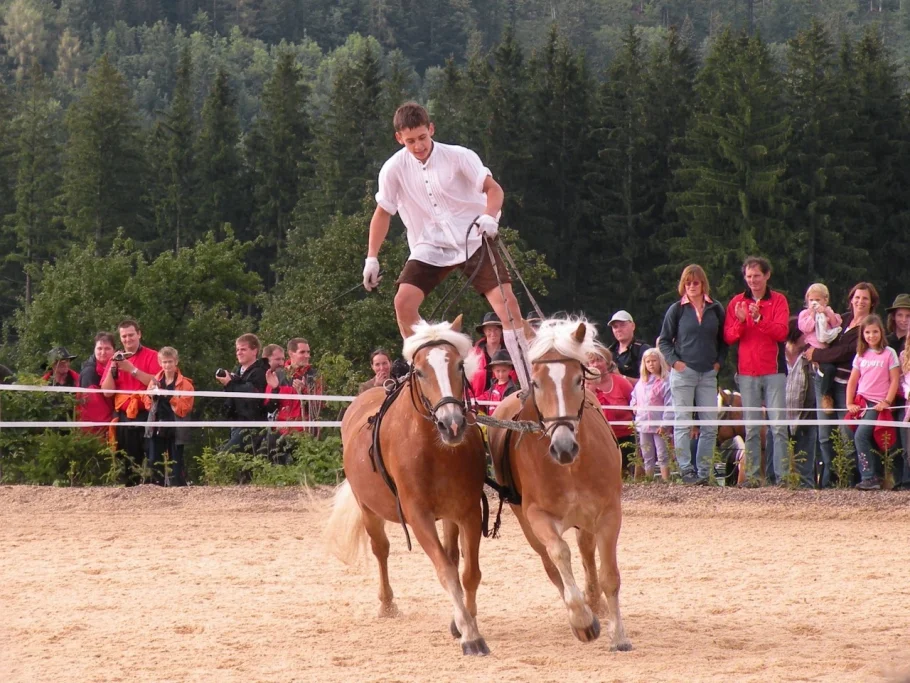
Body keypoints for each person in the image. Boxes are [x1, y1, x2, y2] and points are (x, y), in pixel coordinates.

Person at [362, 101, 532, 391]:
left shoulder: (459, 156)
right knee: (403, 303)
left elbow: (494, 189)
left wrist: (489, 216)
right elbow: (383, 212)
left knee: (507, 305)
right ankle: (422, 376)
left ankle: (530, 382)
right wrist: (372, 257)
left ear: (431, 129)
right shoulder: (392, 169)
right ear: (399, 138)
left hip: (473, 238)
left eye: (422, 137)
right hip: (429, 245)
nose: (418, 146)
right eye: (410, 141)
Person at [723, 256, 789, 487]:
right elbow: (729, 336)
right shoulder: (737, 302)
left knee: (778, 426)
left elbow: (782, 332)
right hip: (747, 372)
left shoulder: (778, 300)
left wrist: (759, 319)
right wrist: (741, 322)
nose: (753, 281)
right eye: (749, 276)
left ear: (767, 275)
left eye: (757, 276)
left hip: (774, 371)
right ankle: (751, 477)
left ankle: (782, 477)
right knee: (751, 427)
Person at [659, 264, 727, 484]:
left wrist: (718, 363)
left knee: (710, 425)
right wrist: (675, 363)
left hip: (708, 373)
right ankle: (686, 469)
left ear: (703, 284)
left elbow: (724, 340)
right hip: (684, 372)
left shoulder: (715, 308)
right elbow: (664, 341)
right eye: (687, 283)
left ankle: (704, 471)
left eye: (695, 282)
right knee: (683, 422)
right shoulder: (676, 310)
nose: (691, 286)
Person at [805, 282, 877, 488]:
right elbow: (822, 338)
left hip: (847, 387)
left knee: (847, 434)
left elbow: (846, 352)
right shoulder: (841, 319)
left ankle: (850, 479)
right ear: (851, 299)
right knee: (825, 435)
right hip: (824, 382)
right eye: (857, 297)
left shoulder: (869, 327)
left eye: (865, 298)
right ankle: (830, 479)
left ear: (872, 302)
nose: (860, 301)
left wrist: (816, 354)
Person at [101, 319, 161, 484]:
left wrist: (132, 370)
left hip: (147, 414)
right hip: (125, 417)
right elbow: (106, 392)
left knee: (152, 460)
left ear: (139, 334)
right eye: (124, 336)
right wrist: (112, 368)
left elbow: (157, 383)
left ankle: (154, 489)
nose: (128, 339)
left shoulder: (153, 356)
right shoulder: (116, 358)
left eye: (131, 335)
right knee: (128, 461)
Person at [846, 315, 900, 491]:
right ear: (862, 335)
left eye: (875, 332)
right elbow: (853, 380)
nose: (871, 336)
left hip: (877, 404)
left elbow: (894, 379)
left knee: (861, 436)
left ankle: (869, 477)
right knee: (856, 434)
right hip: (862, 402)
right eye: (867, 332)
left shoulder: (889, 353)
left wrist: (887, 401)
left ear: (881, 332)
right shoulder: (861, 355)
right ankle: (872, 474)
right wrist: (849, 403)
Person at [142, 347, 194, 486]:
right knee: (154, 463)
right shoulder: (154, 382)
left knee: (176, 465)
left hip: (176, 428)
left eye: (170, 361)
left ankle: (179, 488)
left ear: (176, 361)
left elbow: (185, 409)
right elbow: (147, 405)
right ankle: (156, 490)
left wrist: (170, 397)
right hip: (156, 425)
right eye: (164, 362)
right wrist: (151, 396)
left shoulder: (186, 384)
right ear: (160, 363)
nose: (167, 365)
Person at [588, 345, 635, 476]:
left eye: (599, 360)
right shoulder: (584, 384)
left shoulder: (621, 383)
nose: (596, 364)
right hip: (597, 437)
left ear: (608, 362)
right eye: (592, 361)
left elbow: (634, 406)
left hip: (624, 437)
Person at [218, 333, 269, 454]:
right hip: (236, 422)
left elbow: (251, 395)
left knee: (225, 457)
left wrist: (230, 383)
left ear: (254, 351)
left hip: (251, 425)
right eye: (237, 350)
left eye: (243, 349)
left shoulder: (261, 372)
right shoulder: (238, 372)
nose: (239, 353)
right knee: (242, 461)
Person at [797, 283, 843, 414]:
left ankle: (829, 396)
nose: (814, 303)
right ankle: (825, 396)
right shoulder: (805, 314)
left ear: (825, 300)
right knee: (827, 370)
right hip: (812, 348)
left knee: (832, 369)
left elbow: (836, 324)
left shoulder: (828, 311)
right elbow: (805, 328)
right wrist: (812, 314)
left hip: (827, 349)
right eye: (811, 300)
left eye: (817, 300)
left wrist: (826, 312)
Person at [785, 316, 819, 488]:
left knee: (805, 467)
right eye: (806, 333)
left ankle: (807, 491)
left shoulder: (810, 358)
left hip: (805, 416)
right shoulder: (777, 356)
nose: (809, 337)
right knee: (779, 465)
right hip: (781, 418)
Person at [630, 348, 673, 482]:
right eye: (648, 361)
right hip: (643, 423)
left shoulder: (666, 381)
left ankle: (666, 481)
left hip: (659, 424)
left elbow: (670, 404)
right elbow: (634, 397)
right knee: (646, 454)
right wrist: (634, 406)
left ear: (660, 362)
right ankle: (649, 481)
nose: (651, 364)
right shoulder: (641, 382)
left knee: (662, 454)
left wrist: (665, 424)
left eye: (654, 361)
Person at [470, 313, 517, 398]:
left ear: (501, 330)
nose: (492, 333)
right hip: (476, 402)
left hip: (503, 401)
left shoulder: (511, 353)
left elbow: (513, 377)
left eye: (496, 329)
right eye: (489, 330)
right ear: (484, 331)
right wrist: (471, 401)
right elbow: (467, 379)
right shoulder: (473, 354)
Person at [78, 332, 116, 436]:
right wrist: (112, 425)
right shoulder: (90, 373)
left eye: (107, 348)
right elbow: (95, 406)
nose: (103, 352)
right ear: (94, 350)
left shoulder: (116, 367)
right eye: (99, 348)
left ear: (114, 350)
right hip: (95, 431)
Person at [607, 310, 651, 383]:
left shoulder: (643, 350)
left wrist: (621, 377)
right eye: (615, 327)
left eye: (622, 325)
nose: (618, 330)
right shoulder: (609, 352)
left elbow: (650, 382)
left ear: (633, 326)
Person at [476, 349, 518, 414]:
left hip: (504, 418)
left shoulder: (512, 389)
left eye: (504, 371)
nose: (501, 374)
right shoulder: (493, 387)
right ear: (493, 370)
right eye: (498, 371)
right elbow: (484, 397)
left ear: (510, 369)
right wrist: (474, 401)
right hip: (490, 418)